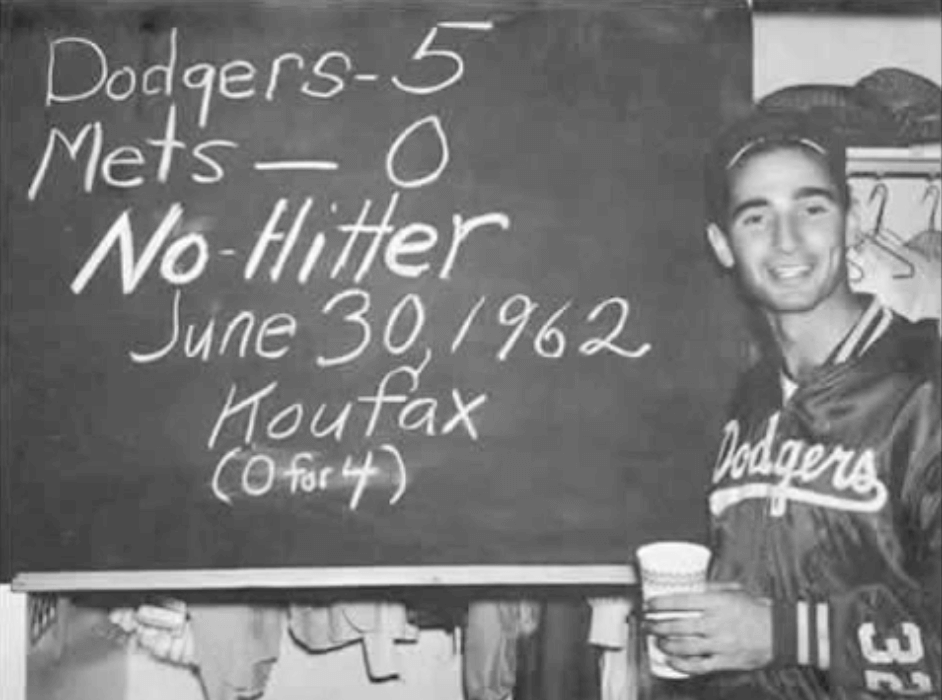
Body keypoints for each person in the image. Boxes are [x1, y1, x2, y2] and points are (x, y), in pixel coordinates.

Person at [645, 109, 941, 699]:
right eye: (757, 217)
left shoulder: (925, 383)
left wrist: (788, 633)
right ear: (723, 246)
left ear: (852, 223)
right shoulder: (745, 399)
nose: (788, 240)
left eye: (812, 208)